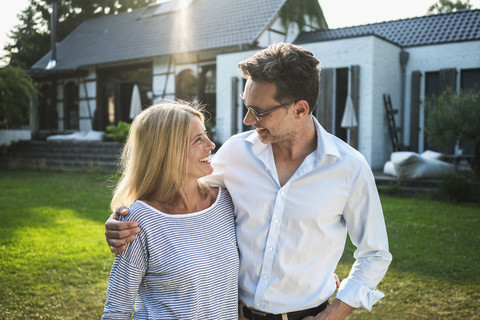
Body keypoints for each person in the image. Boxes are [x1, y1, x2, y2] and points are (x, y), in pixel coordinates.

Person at [105, 42, 392, 320]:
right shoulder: (235, 152)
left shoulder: (349, 168)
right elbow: (174, 184)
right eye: (247, 105)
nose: (247, 120)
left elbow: (375, 254)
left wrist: (334, 315)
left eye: (260, 111)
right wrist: (122, 219)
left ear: (300, 110)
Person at [102, 101, 239, 319]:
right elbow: (117, 309)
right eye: (198, 140)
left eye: (206, 135)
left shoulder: (226, 202)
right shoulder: (138, 220)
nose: (211, 145)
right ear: (167, 152)